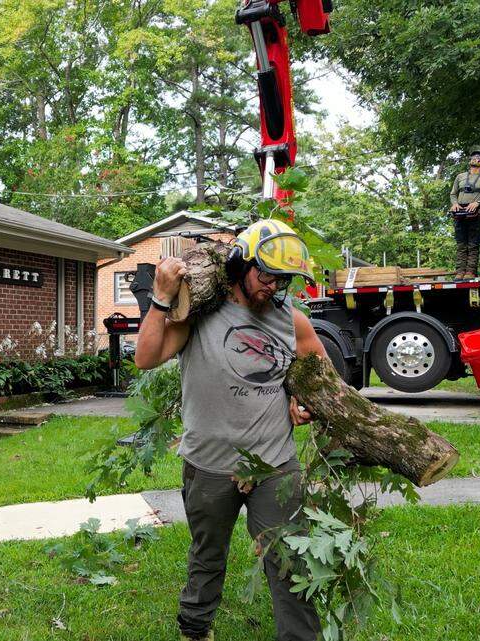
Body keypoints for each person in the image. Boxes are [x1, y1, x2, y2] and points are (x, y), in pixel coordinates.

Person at [135, 219, 327, 641]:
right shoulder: (200, 312)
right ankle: (195, 629)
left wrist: (304, 396)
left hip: (274, 465)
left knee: (290, 558)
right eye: (267, 275)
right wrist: (162, 300)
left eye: (284, 280)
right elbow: (146, 358)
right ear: (242, 263)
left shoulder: (290, 320)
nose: (274, 286)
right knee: (207, 556)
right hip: (209, 465)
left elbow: (318, 368)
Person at [449, 147, 480, 279]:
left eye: (479, 157)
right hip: (459, 213)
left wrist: (478, 203)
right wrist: (455, 204)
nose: (475, 159)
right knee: (461, 244)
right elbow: (453, 194)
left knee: (473, 243)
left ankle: (470, 272)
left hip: (476, 213)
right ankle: (459, 272)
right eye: (473, 157)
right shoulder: (460, 177)